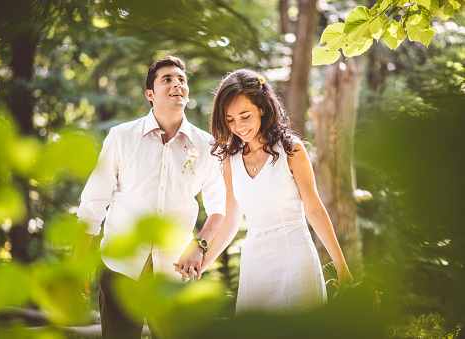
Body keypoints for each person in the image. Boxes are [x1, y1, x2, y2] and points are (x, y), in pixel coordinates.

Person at [176, 69, 353, 313]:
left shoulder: (291, 150)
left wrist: (341, 265)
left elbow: (314, 209)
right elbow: (230, 221)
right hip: (255, 264)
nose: (238, 126)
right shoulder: (230, 161)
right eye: (230, 120)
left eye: (244, 115)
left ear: (262, 107)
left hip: (296, 258)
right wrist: (202, 264)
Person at [73, 56, 225, 338]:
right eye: (167, 79)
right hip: (120, 269)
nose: (177, 84)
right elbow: (92, 204)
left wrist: (199, 245)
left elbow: (220, 208)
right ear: (150, 94)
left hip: (175, 273)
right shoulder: (121, 137)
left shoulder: (206, 145)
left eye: (182, 79)